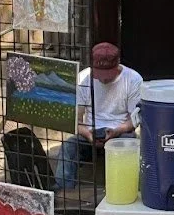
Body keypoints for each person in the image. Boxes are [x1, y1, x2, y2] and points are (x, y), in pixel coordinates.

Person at [55, 42, 143, 191]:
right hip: (90, 132)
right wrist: (88, 134)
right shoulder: (83, 78)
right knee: (69, 146)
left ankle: (124, 189)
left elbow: (134, 120)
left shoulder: (133, 79)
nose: (103, 79)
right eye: (100, 75)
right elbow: (75, 120)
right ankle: (64, 192)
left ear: (117, 64)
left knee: (130, 143)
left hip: (120, 131)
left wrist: (116, 131)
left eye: (108, 74)